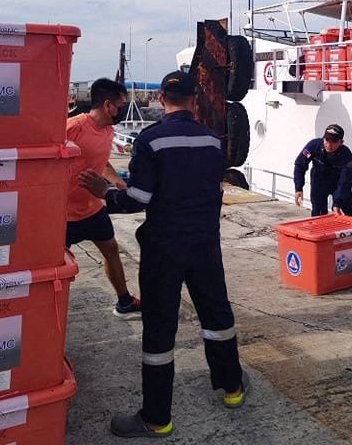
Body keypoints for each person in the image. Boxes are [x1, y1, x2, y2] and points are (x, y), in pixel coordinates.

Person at [79, 71, 247, 439]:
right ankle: (232, 387)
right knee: (216, 315)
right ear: (194, 99)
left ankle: (157, 418)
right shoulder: (212, 141)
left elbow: (139, 199)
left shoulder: (151, 140)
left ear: (161, 100)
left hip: (163, 247)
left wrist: (104, 192)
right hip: (204, 244)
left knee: (159, 327)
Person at [66, 78, 141, 318]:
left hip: (92, 209)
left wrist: (116, 180)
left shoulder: (108, 130)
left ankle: (124, 301)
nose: (123, 108)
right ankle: (51, 314)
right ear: (108, 105)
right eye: (121, 104)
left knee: (111, 249)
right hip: (61, 214)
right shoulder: (72, 127)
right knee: (60, 269)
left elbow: (101, 160)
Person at [293, 124, 352, 217]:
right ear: (323, 138)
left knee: (350, 210)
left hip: (338, 183)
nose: (329, 144)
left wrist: (337, 204)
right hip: (319, 182)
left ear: (341, 142)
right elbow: (300, 165)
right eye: (327, 140)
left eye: (334, 141)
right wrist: (298, 187)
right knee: (318, 213)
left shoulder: (346, 156)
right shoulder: (314, 146)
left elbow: (345, 182)